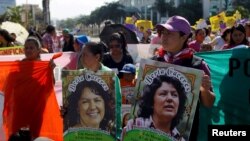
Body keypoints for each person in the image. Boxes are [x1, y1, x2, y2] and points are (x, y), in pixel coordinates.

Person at [151, 15, 215, 141]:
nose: (164, 36)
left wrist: (205, 90)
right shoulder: (153, 62)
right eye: (163, 32)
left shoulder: (198, 65)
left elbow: (209, 103)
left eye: (169, 33)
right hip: (153, 134)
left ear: (184, 37)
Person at [123, 74, 187, 141]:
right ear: (151, 102)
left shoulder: (179, 139)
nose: (170, 98)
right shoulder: (134, 125)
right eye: (163, 94)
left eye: (174, 95)